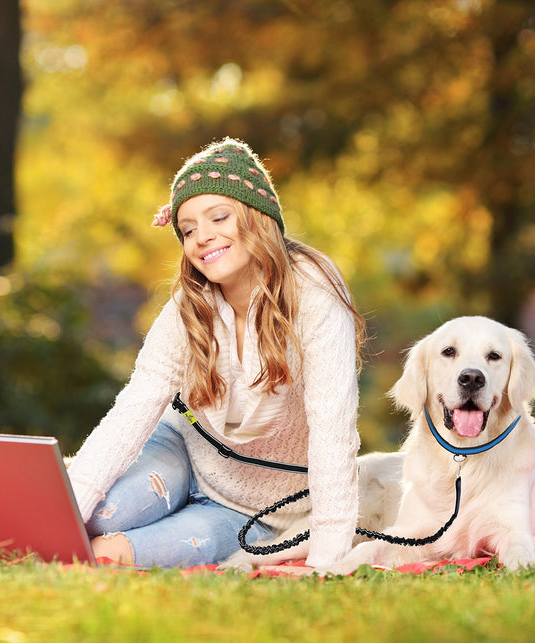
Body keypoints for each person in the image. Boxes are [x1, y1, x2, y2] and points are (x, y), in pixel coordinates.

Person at [66, 137, 367, 570]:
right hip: (181, 452)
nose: (202, 237)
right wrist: (69, 504)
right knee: (95, 515)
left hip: (256, 510)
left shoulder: (316, 297)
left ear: (257, 218)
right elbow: (133, 407)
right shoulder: (190, 307)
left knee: (104, 555)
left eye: (218, 217)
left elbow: (333, 431)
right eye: (188, 229)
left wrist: (327, 563)